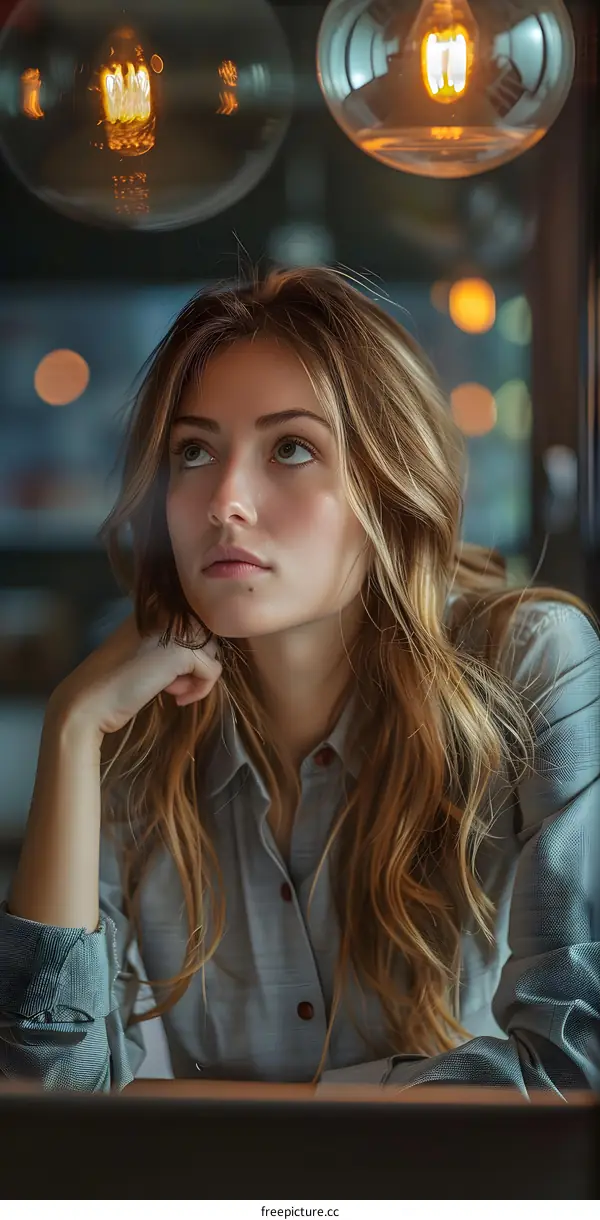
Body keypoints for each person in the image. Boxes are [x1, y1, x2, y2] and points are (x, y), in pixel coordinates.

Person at [0, 266, 598, 1097]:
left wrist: (264, 1113)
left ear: (388, 490)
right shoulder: (127, 711)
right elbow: (48, 1099)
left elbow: (578, 1070)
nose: (225, 502)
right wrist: (69, 727)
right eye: (195, 451)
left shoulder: (531, 663)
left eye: (292, 447)